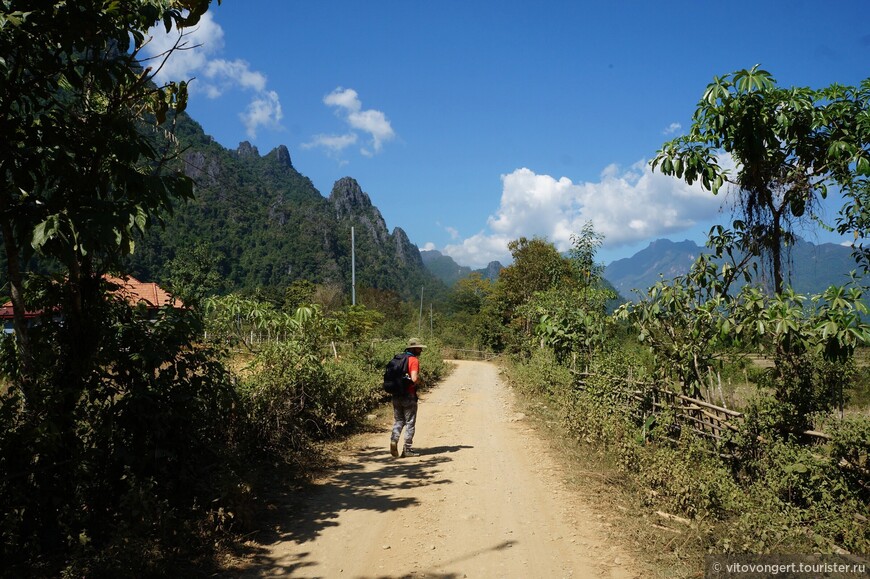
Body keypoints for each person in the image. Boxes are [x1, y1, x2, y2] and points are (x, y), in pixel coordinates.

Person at [390, 338, 425, 458]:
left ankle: (394, 439)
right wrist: (420, 382)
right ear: (413, 348)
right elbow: (414, 378)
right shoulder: (413, 360)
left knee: (399, 420)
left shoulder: (398, 359)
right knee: (410, 422)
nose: (421, 350)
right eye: (419, 348)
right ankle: (407, 449)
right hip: (408, 395)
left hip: (396, 394)